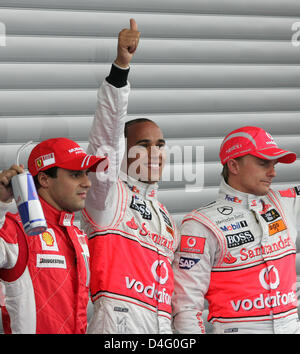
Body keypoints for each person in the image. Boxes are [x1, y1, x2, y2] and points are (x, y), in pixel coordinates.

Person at [81, 19, 179, 334]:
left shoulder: (165, 216)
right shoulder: (106, 196)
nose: (154, 153)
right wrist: (121, 68)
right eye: (143, 145)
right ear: (123, 152)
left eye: (160, 145)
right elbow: (106, 137)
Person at [172, 125, 300, 334]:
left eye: (274, 164)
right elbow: (186, 306)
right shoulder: (200, 224)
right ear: (234, 165)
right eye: (263, 163)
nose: (273, 172)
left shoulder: (284, 202)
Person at [0, 137, 107, 333]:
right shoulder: (14, 229)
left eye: (86, 174)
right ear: (44, 179)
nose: (87, 183)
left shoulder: (78, 236)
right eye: (76, 175)